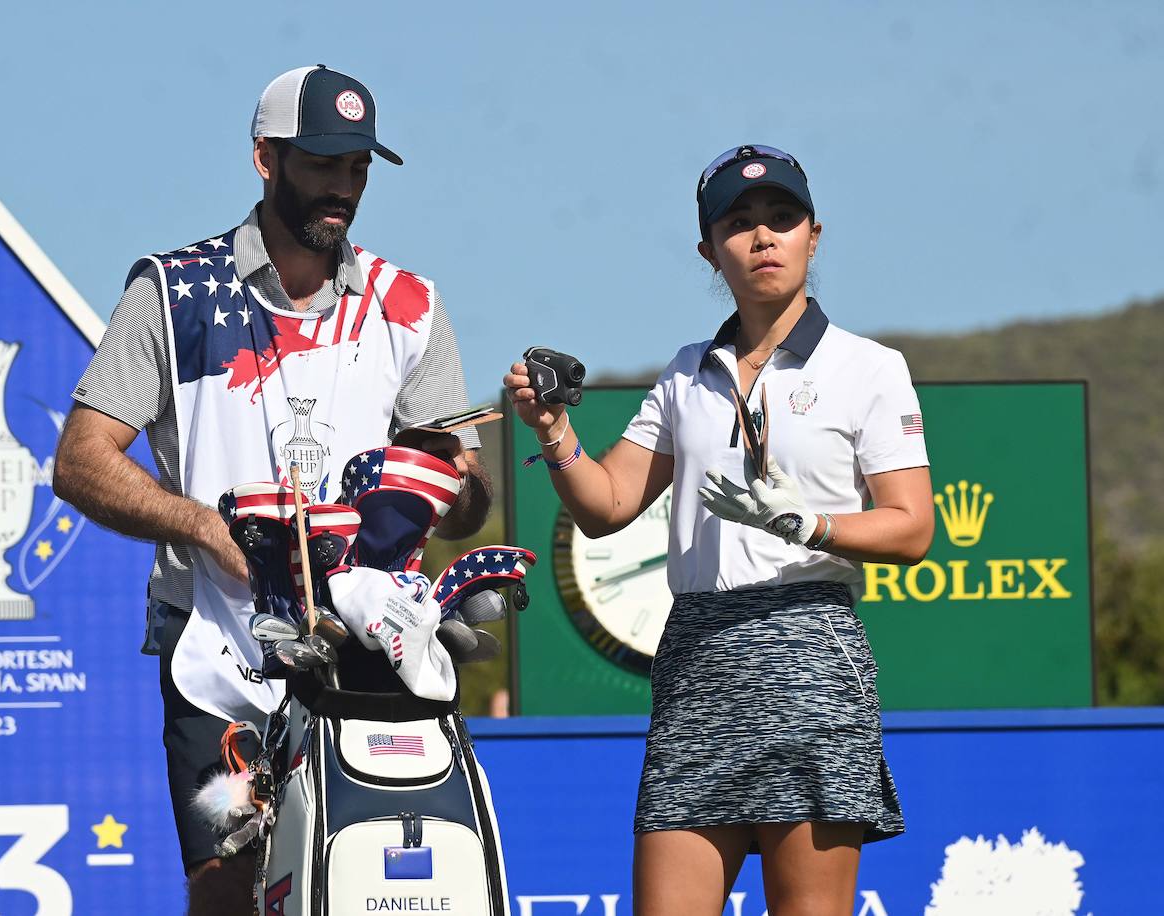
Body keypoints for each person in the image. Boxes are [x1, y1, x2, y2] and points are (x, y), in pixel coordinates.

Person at [53, 65, 491, 914]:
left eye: (357, 167)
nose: (344, 187)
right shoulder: (173, 290)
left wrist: (452, 480)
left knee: (372, 880)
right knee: (231, 890)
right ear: (266, 158)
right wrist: (204, 527)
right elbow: (80, 459)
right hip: (216, 649)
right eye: (323, 163)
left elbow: (462, 507)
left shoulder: (409, 304)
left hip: (370, 651)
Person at [504, 144, 933, 916]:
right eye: (739, 223)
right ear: (709, 250)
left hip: (808, 653)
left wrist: (807, 523)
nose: (763, 236)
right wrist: (553, 429)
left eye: (782, 217)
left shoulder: (869, 367)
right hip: (696, 661)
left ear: (813, 236)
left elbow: (911, 528)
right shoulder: (685, 371)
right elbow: (606, 506)